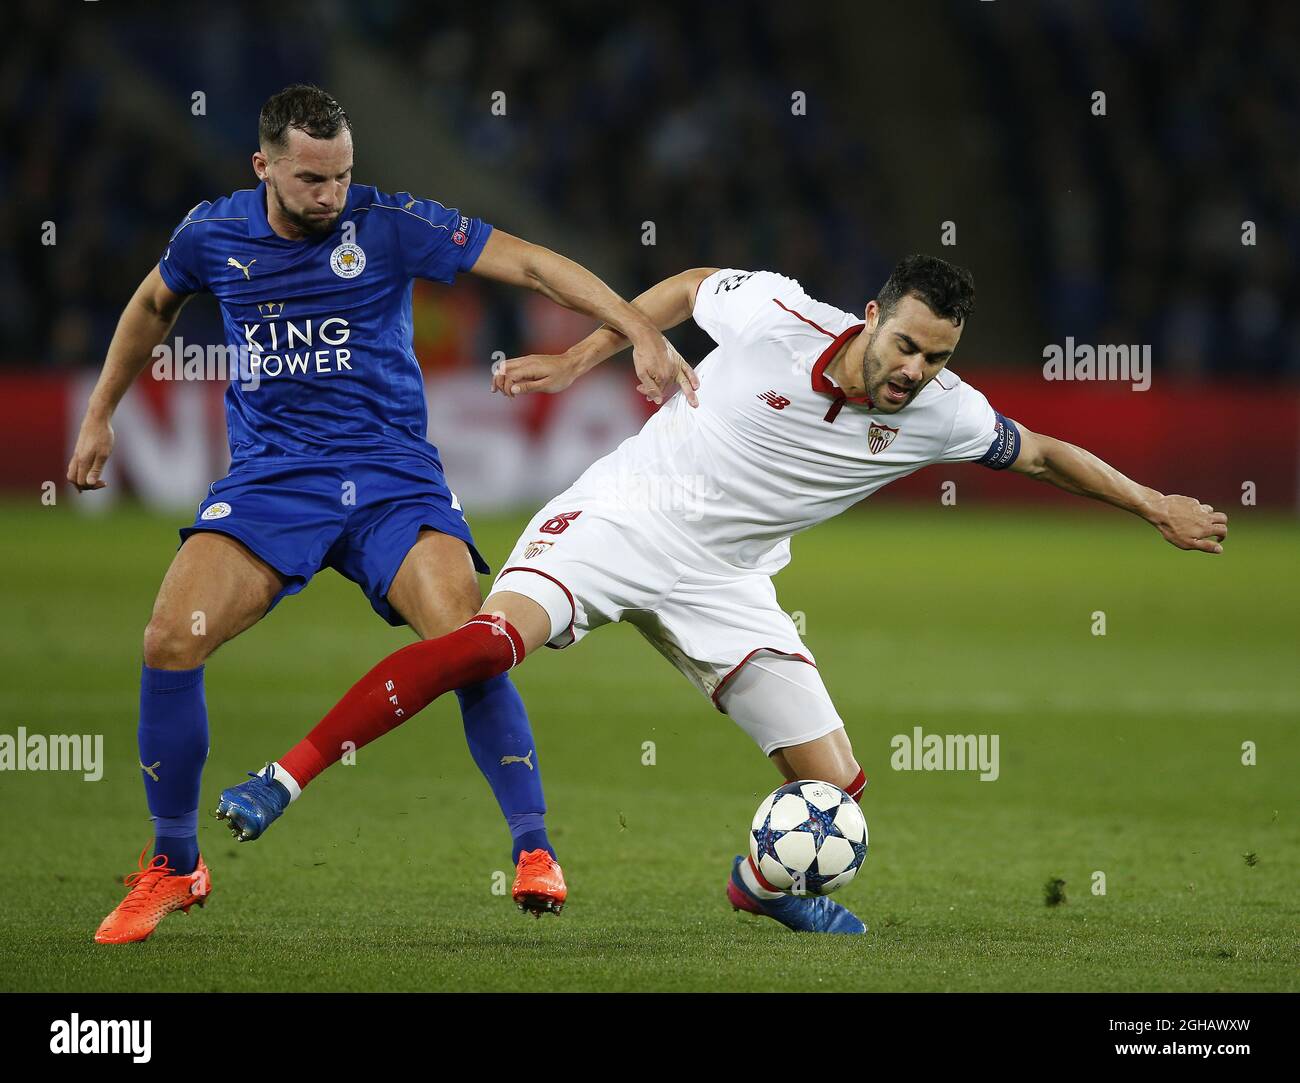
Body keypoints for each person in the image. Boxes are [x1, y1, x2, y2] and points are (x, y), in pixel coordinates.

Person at [215, 255, 1228, 934]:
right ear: (870, 318)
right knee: (486, 645)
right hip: (623, 518)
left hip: (730, 580)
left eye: (936, 358)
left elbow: (1042, 450)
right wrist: (583, 354)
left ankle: (759, 887)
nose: (914, 371)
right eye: (905, 345)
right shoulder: (779, 315)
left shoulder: (945, 413)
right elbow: (692, 281)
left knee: (834, 792)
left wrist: (1153, 507)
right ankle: (287, 773)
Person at [71, 84, 696, 944]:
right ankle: (175, 866)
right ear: (264, 168)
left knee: (467, 641)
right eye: (311, 180)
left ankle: (533, 848)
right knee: (169, 640)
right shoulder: (212, 234)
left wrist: (638, 329)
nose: (331, 196)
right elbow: (151, 307)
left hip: (392, 478)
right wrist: (102, 412)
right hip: (272, 483)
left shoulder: (390, 224)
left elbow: (533, 263)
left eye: (342, 176)